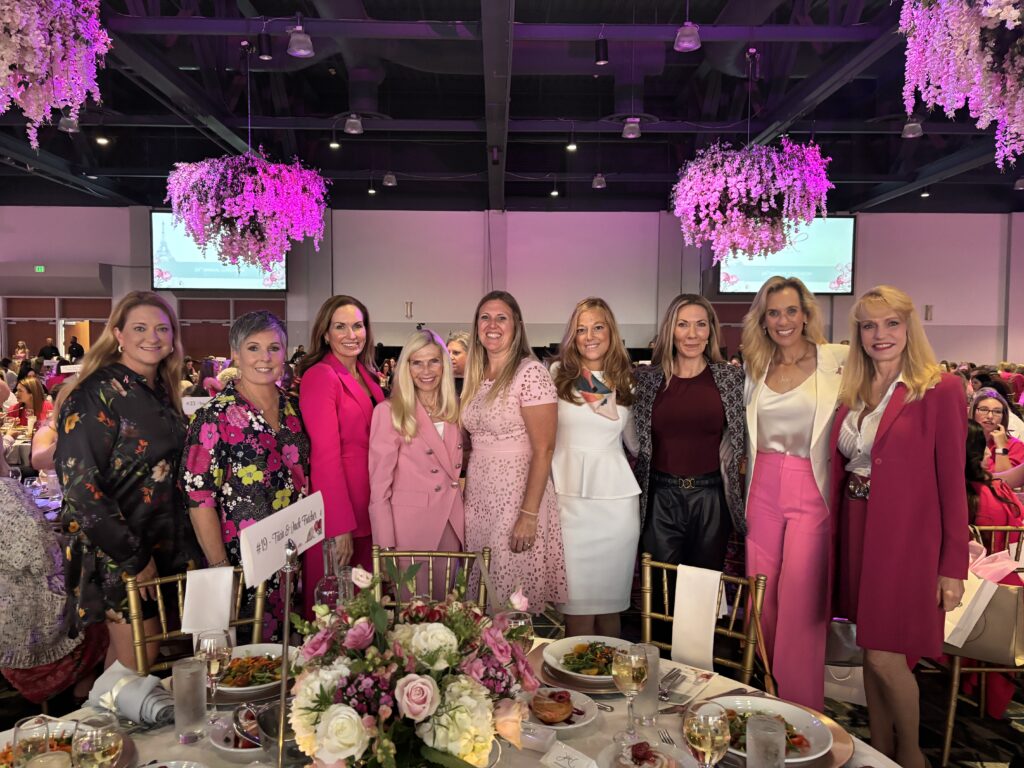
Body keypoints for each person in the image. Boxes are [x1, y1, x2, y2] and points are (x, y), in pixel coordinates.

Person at [829, 285, 967, 768]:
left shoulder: (940, 388)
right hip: (859, 526)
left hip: (907, 538)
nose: (879, 334)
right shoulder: (852, 389)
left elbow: (954, 482)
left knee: (888, 655)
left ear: (910, 327)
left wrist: (953, 565)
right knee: (870, 650)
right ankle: (879, 750)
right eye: (869, 325)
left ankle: (911, 756)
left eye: (890, 323)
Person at [55, 291, 199, 670]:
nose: (152, 337)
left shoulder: (158, 390)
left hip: (158, 541)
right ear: (117, 334)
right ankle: (105, 722)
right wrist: (132, 556)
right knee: (141, 654)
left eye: (161, 329)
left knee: (128, 657)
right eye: (139, 328)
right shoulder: (96, 392)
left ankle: (98, 718)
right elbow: (79, 485)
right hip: (120, 546)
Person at [740, 276, 848, 710]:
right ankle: (763, 692)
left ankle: (801, 706)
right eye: (773, 313)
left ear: (806, 314)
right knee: (760, 595)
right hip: (761, 486)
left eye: (790, 311)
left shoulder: (836, 361)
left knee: (802, 598)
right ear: (762, 321)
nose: (783, 321)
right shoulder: (755, 365)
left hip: (810, 486)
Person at [182, 311, 310, 640]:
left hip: (294, 558)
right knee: (240, 665)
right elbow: (199, 497)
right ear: (236, 354)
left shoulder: (295, 409)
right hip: (241, 566)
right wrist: (220, 566)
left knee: (289, 658)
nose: (265, 358)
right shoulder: (215, 416)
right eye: (253, 348)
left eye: (274, 348)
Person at [461, 290, 567, 610]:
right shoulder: (477, 375)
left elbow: (545, 448)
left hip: (516, 497)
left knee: (509, 602)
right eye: (485, 317)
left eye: (501, 318)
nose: (492, 325)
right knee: (482, 596)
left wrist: (528, 515)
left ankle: (514, 659)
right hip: (480, 497)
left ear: (517, 325)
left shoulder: (530, 372)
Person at [632, 294, 746, 570]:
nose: (692, 334)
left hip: (711, 497)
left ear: (710, 331)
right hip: (659, 496)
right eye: (683, 325)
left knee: (701, 593)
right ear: (670, 330)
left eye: (700, 325)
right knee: (660, 594)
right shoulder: (647, 380)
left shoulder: (730, 378)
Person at [549, 298, 640, 637]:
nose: (590, 336)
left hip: (616, 506)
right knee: (578, 609)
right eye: (581, 329)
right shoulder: (558, 374)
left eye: (597, 327)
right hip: (569, 502)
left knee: (610, 608)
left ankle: (611, 688)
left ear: (610, 331)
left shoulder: (627, 381)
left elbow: (634, 443)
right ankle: (573, 687)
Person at [298, 295, 384, 615]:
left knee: (366, 610)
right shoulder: (321, 376)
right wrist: (337, 524)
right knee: (337, 612)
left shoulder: (366, 375)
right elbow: (324, 456)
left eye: (357, 326)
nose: (351, 334)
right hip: (342, 508)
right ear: (325, 334)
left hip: (370, 505)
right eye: (341, 327)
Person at [0, 448, 108, 704]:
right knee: (103, 605)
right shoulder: (5, 493)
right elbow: (40, 557)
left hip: (9, 620)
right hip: (24, 632)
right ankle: (83, 699)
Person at [368, 329, 464, 597]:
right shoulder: (389, 412)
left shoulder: (454, 409)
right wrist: (385, 547)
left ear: (444, 365)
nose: (426, 371)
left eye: (434, 361)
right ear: (406, 367)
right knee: (412, 617)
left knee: (447, 613)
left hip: (451, 525)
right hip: (409, 530)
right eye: (417, 362)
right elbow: (379, 490)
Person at [969, 388, 1024, 471]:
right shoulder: (963, 441)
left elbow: (1006, 481)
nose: (990, 416)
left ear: (1003, 417)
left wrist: (1001, 447)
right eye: (983, 409)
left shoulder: (1015, 446)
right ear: (973, 412)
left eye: (997, 412)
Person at [446, 331, 471, 397]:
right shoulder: (440, 383)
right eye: (447, 353)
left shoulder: (483, 383)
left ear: (470, 355)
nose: (450, 357)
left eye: (456, 353)